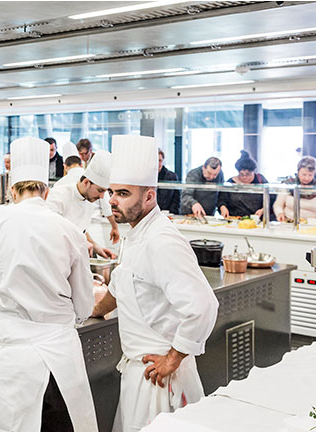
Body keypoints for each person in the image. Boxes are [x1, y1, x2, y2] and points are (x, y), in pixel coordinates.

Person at [0, 137, 98, 432]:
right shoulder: (69, 230)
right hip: (62, 356)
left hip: (14, 358)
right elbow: (84, 305)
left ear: (13, 191)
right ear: (46, 190)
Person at [92, 135, 218, 432]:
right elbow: (125, 278)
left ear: (149, 196)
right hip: (140, 376)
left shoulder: (161, 241)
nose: (112, 200)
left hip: (159, 378)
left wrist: (172, 359)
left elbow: (202, 306)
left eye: (123, 193)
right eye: (111, 192)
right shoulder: (136, 234)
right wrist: (98, 308)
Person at [47, 150, 120, 257]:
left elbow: (81, 230)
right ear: (86, 182)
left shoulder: (89, 198)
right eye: (100, 191)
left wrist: (96, 247)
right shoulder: (59, 195)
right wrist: (79, 243)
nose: (102, 197)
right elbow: (52, 231)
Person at [274, 155, 316, 225]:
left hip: (311, 224)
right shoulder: (288, 184)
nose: (307, 178)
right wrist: (280, 213)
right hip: (288, 222)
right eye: (304, 174)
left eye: (310, 175)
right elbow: (278, 204)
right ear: (298, 172)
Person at [218, 150, 270, 218]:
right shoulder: (230, 182)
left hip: (257, 218)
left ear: (253, 172)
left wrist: (263, 210)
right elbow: (222, 200)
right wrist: (223, 208)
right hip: (234, 219)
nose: (245, 177)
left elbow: (270, 199)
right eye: (241, 174)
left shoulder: (261, 180)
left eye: (248, 174)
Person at [156, 148, 180, 214]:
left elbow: (176, 199)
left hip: (167, 214)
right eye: (155, 160)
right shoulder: (146, 176)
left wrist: (172, 213)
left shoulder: (172, 176)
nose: (157, 163)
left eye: (159, 160)